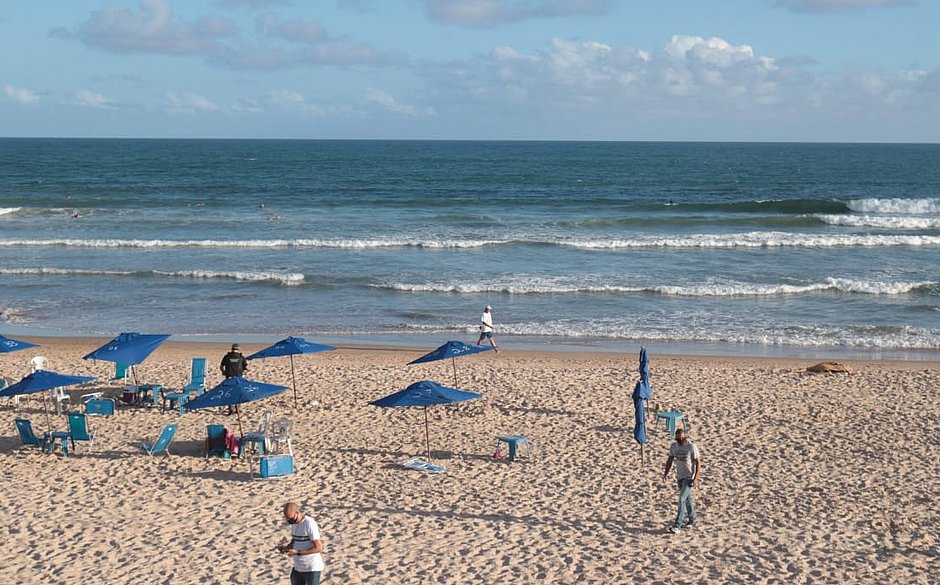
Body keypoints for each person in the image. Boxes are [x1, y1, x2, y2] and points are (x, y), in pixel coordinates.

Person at [662, 427, 701, 533]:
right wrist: (665, 473)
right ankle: (692, 520)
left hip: (689, 477)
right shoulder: (674, 446)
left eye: (682, 436)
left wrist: (696, 478)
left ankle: (677, 525)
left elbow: (698, 462)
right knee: (688, 499)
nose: (680, 438)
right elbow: (670, 460)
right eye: (678, 436)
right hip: (680, 477)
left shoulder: (691, 447)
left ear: (685, 436)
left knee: (682, 498)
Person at [277, 502, 324, 585]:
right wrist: (287, 548)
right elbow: (296, 539)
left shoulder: (309, 524)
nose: (290, 521)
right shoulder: (294, 524)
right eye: (288, 520)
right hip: (298, 567)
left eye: (291, 519)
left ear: (297, 513)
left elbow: (319, 547)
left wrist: (298, 552)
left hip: (311, 568)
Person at [220, 343, 248, 415]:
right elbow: (246, 367)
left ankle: (231, 410)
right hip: (238, 378)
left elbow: (221, 366)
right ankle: (237, 409)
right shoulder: (241, 357)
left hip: (229, 377)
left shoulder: (227, 357)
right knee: (238, 393)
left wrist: (223, 372)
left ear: (232, 349)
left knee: (229, 393)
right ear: (238, 349)